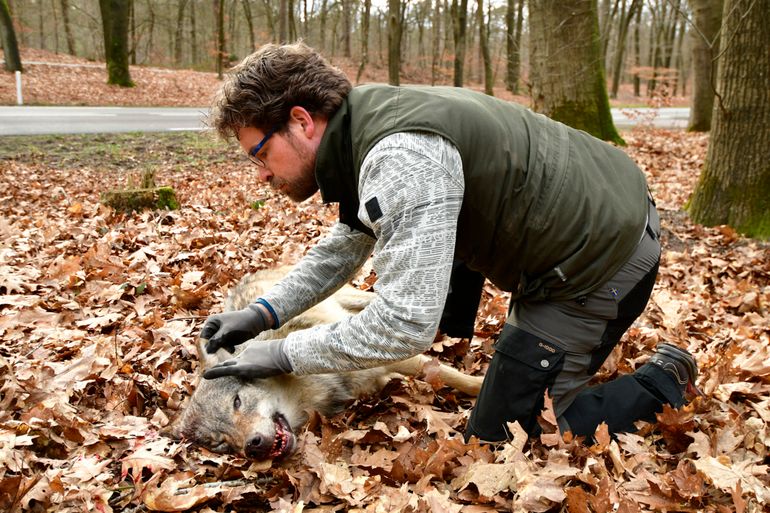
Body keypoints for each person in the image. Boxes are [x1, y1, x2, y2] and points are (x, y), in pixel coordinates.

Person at [199, 42, 699, 441]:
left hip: (600, 261)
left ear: (301, 121)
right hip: (587, 225)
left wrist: (283, 354)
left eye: (259, 154)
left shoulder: (400, 157)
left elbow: (402, 328)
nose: (262, 175)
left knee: (509, 435)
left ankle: (663, 379)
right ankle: (517, 351)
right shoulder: (363, 128)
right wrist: (263, 314)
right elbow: (346, 245)